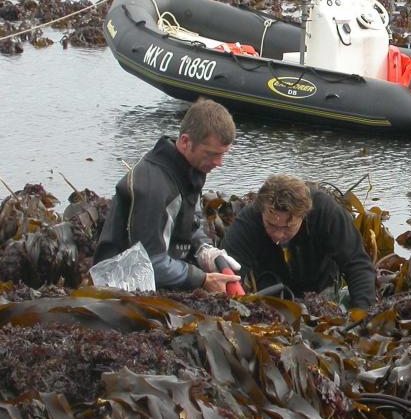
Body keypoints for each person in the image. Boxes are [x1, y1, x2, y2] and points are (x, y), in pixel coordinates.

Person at [94, 99, 241, 294]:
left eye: (224, 154)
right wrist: (202, 279)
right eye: (212, 154)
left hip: (164, 279)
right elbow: (150, 263)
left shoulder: (189, 170)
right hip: (121, 287)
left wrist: (205, 250)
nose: (219, 163)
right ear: (185, 142)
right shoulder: (153, 186)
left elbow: (190, 226)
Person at [222, 174, 376, 308]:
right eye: (271, 225)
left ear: (304, 215)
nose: (278, 235)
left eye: (288, 227)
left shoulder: (326, 211)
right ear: (261, 211)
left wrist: (361, 315)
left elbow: (357, 264)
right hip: (271, 299)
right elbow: (228, 275)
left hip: (322, 296)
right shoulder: (248, 221)